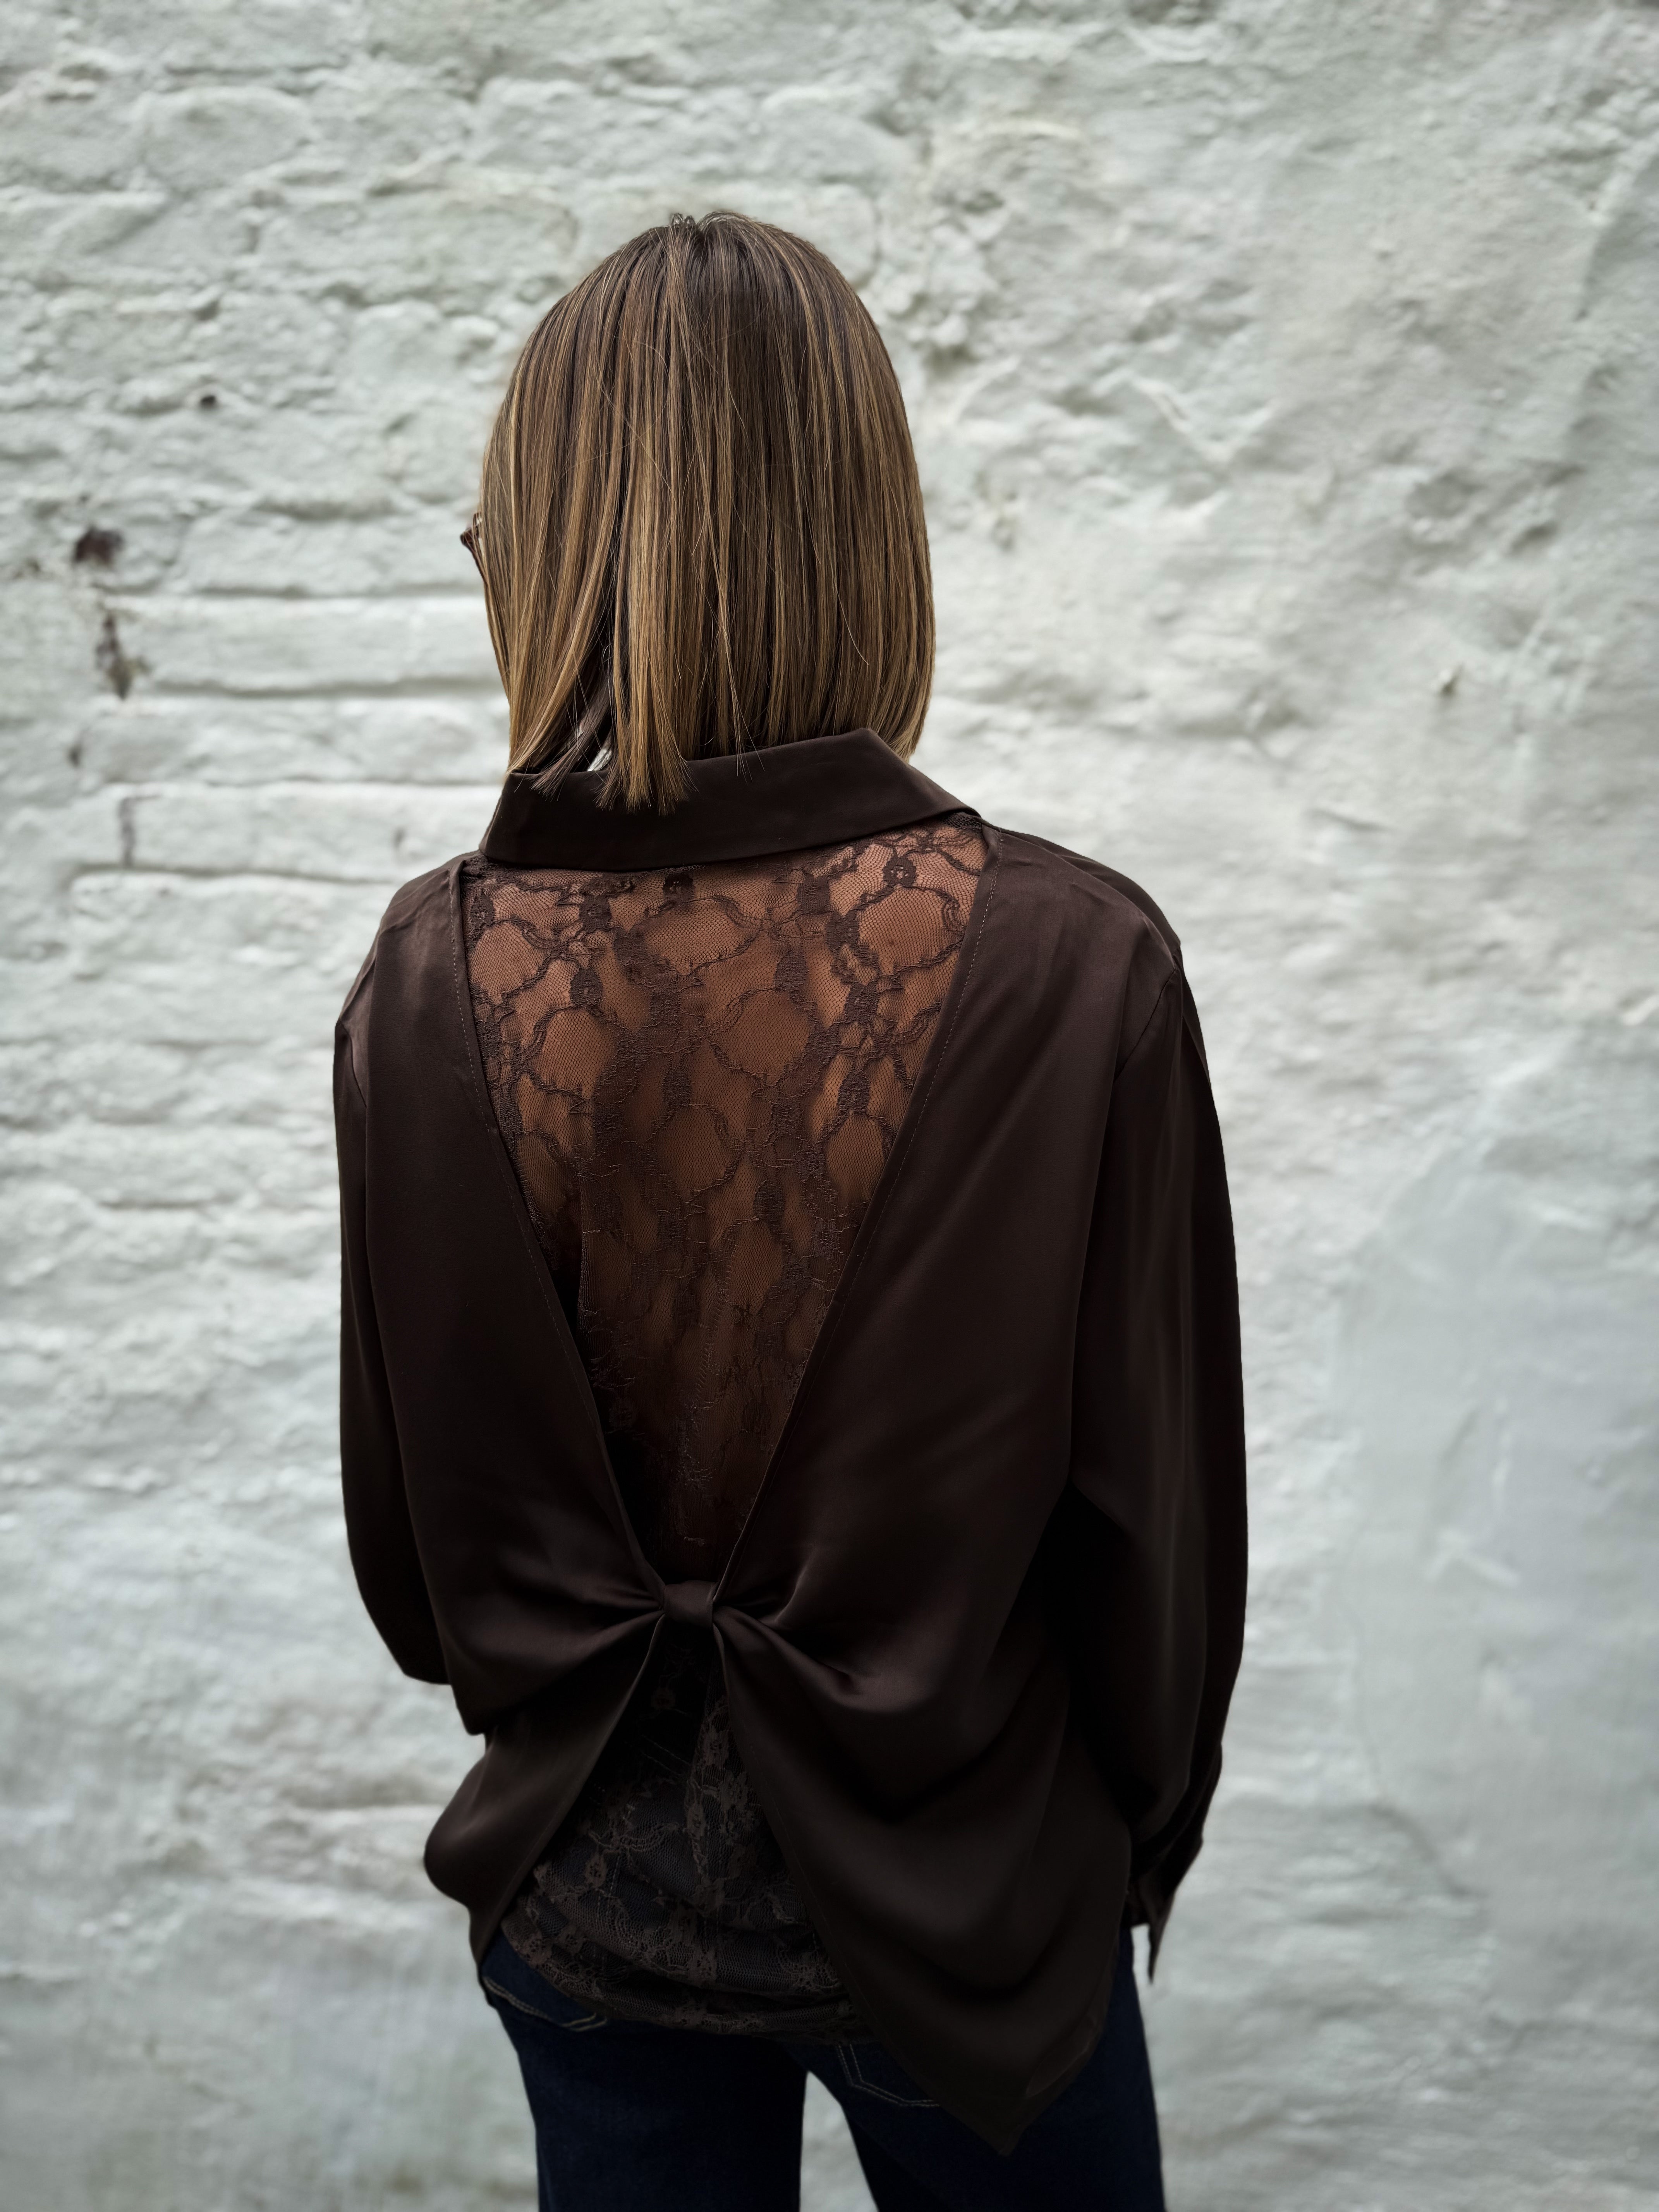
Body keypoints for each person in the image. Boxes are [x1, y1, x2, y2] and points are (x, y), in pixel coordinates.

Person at [334, 210, 1246, 2212]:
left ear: (552, 544)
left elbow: (412, 1564)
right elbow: (1153, 1551)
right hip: (973, 1901)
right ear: (863, 534)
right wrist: (1126, 1835)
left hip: (590, 1897)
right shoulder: (1074, 963)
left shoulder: (423, 978)